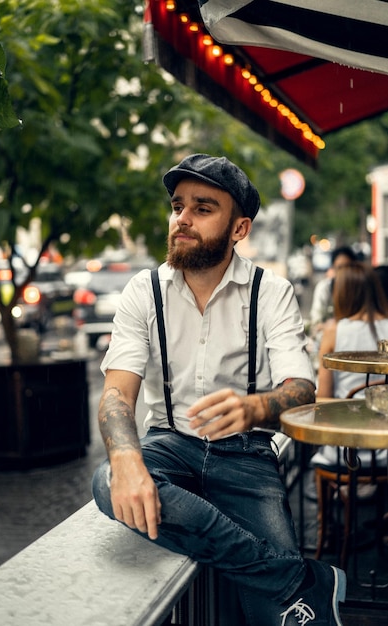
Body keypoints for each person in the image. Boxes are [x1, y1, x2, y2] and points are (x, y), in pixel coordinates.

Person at [92, 153, 346, 625]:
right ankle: (298, 580)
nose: (182, 219)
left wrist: (253, 408)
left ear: (239, 229)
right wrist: (127, 461)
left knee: (274, 619)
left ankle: (280, 589)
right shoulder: (142, 291)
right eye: (177, 206)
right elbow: (116, 395)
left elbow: (301, 390)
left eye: (203, 208)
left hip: (246, 455)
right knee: (107, 481)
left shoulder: (271, 292)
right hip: (169, 445)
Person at [313, 262, 388, 468]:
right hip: (384, 446)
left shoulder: (333, 332)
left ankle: (338, 491)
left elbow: (323, 400)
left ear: (343, 294)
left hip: (344, 450)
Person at [309, 246, 358, 334]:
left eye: (347, 267)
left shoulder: (360, 288)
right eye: (339, 268)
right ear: (333, 268)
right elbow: (316, 321)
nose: (344, 272)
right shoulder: (324, 288)